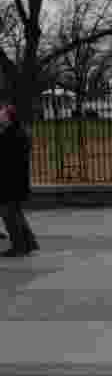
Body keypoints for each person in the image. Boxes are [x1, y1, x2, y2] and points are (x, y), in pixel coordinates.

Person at [1, 97, 40, 257]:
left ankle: (19, 246)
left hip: (10, 181)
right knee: (15, 214)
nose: (0, 117)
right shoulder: (17, 132)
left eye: (2, 115)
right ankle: (29, 243)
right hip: (15, 181)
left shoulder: (12, 135)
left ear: (9, 118)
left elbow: (6, 157)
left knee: (10, 215)